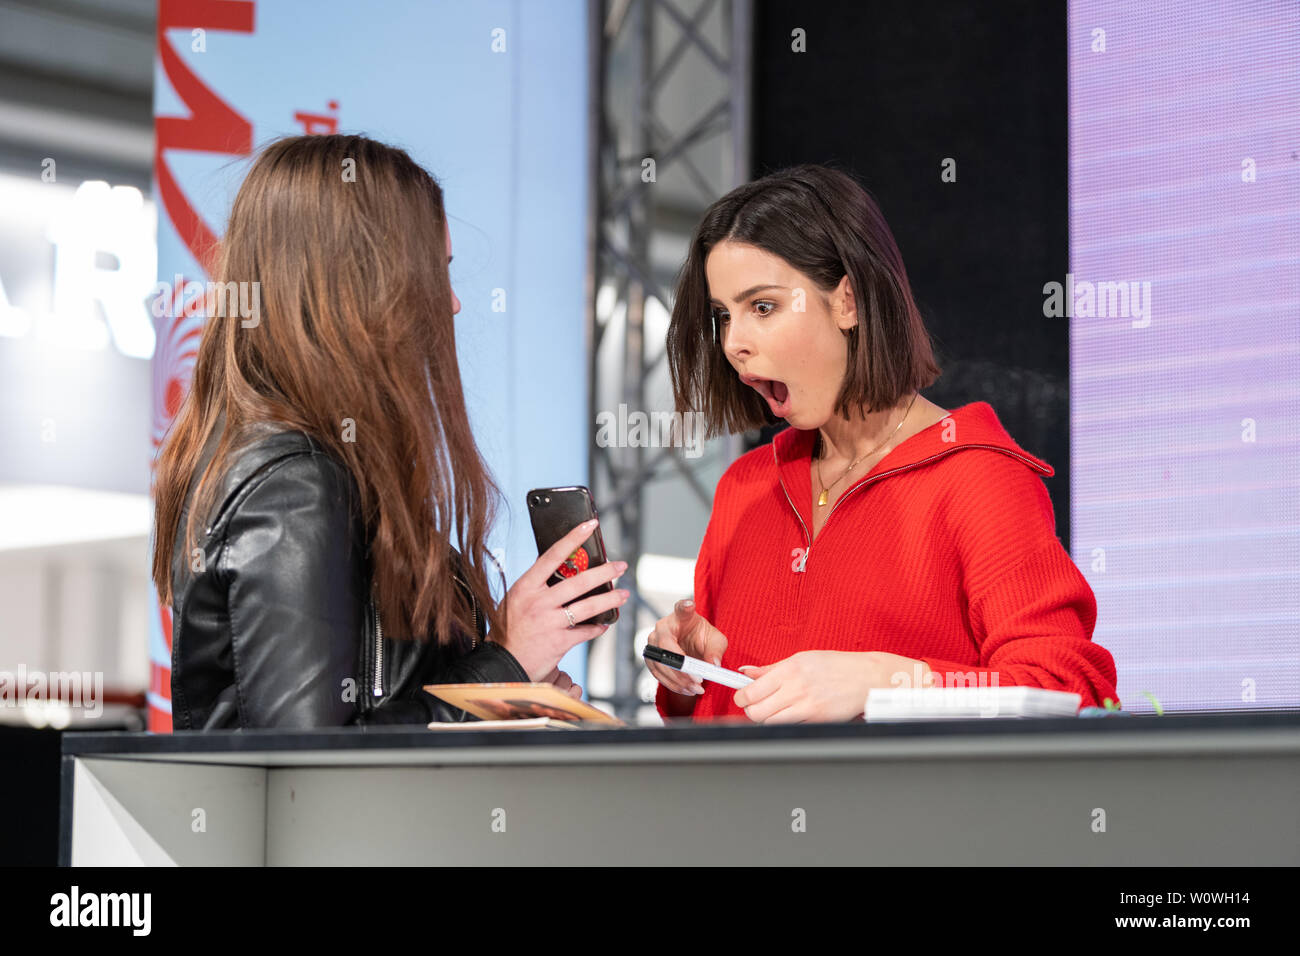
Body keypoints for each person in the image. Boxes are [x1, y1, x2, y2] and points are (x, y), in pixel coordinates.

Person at [151, 134, 628, 729]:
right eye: (434, 272)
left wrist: (509, 694)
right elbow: (315, 763)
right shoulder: (298, 486)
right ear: (360, 286)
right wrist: (504, 665)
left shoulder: (290, 467)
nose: (451, 304)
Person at [646, 164, 1118, 722]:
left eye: (763, 307)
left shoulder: (979, 479)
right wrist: (690, 676)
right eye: (723, 316)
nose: (735, 343)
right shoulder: (743, 487)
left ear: (847, 301)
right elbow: (727, 727)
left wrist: (886, 683)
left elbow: (1071, 691)